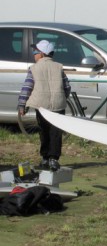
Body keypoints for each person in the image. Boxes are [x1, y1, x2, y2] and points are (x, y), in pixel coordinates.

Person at [18, 40, 71, 171]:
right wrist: (62, 97)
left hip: (41, 107)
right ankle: (54, 159)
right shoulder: (59, 67)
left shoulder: (34, 69)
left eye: (35, 52)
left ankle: (45, 158)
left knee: (44, 131)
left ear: (41, 54)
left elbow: (27, 88)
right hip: (58, 106)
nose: (33, 55)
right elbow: (67, 87)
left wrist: (22, 104)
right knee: (56, 133)